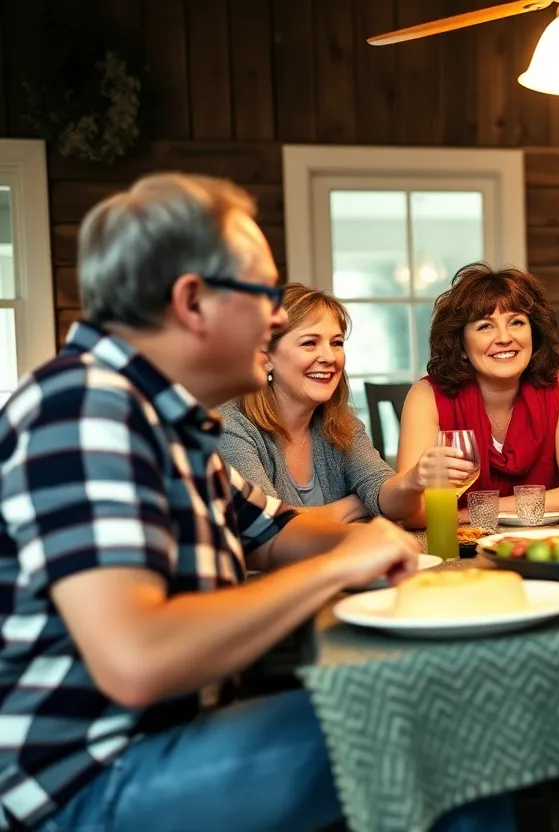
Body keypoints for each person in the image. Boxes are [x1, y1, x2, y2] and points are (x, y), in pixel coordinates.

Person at [0, 174, 515, 832]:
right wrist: (339, 564)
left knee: (427, 704)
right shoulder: (85, 409)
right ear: (192, 301)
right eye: (264, 295)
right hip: (84, 781)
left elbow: (273, 529)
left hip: (164, 736)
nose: (276, 320)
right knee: (440, 724)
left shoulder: (167, 422)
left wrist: (375, 540)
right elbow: (137, 659)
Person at [396, 262, 559, 524]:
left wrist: (474, 511)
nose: (504, 338)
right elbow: (412, 513)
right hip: (459, 543)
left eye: (516, 322)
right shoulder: (427, 395)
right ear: (461, 345)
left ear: (534, 334)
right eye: (485, 326)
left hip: (544, 541)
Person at [218, 283, 425, 524]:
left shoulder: (342, 424)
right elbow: (265, 525)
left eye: (336, 343)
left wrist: (411, 482)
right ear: (267, 358)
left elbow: (389, 500)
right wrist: (355, 505)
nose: (329, 357)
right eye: (309, 343)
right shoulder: (231, 426)